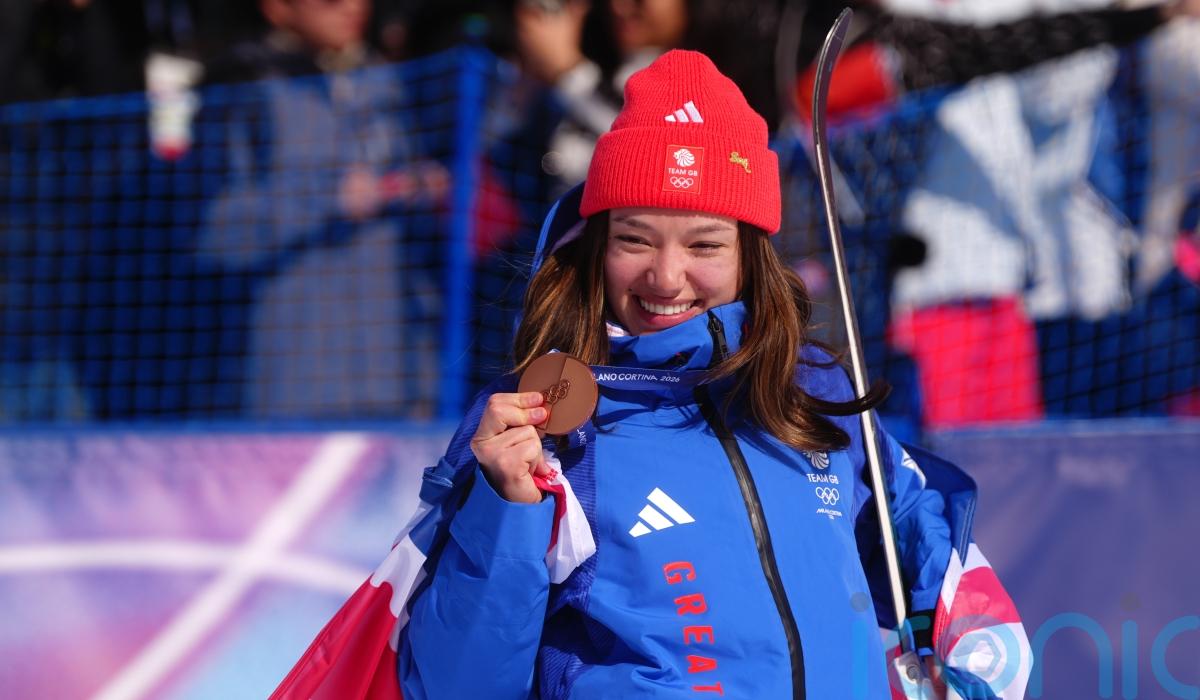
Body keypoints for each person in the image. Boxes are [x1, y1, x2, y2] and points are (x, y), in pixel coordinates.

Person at [387, 50, 1030, 699]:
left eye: (704, 244)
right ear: (597, 244)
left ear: (749, 255)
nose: (667, 277)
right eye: (635, 239)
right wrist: (504, 509)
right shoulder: (540, 424)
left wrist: (973, 670)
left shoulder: (812, 393)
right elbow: (453, 687)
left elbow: (928, 549)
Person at [197, 0, 447, 418]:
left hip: (397, 384)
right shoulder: (242, 88)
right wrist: (326, 199)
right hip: (295, 391)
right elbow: (213, 232)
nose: (351, 6)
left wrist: (425, 188)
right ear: (277, 8)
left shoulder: (391, 82)